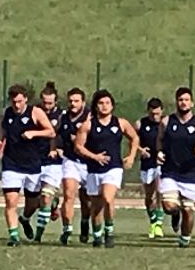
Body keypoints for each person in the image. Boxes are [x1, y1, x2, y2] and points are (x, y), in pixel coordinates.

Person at [74, 90, 139, 248]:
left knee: (108, 199)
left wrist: (131, 156)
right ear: (96, 106)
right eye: (101, 103)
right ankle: (97, 235)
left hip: (113, 167)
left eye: (107, 103)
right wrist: (94, 156)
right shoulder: (88, 125)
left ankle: (109, 231)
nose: (104, 106)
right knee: (96, 207)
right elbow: (78, 146)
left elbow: (134, 138)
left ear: (112, 105)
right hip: (93, 170)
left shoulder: (120, 123)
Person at [0, 84, 54, 246]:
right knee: (11, 201)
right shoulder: (7, 113)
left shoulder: (36, 112)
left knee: (32, 204)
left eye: (19, 101)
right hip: (11, 164)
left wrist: (34, 133)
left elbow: (51, 132)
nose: (17, 105)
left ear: (26, 99)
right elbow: (3, 130)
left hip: (32, 165)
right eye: (14, 102)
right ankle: (13, 237)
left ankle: (25, 219)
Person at [158, 87, 195, 248]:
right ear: (176, 102)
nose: (183, 103)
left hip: (190, 173)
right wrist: (159, 152)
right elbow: (159, 140)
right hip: (170, 171)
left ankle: (185, 238)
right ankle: (175, 214)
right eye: (180, 100)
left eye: (186, 100)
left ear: (192, 103)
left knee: (188, 210)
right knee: (169, 207)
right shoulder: (166, 122)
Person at [58, 88, 91, 246]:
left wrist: (78, 140)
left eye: (76, 101)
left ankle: (85, 222)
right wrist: (56, 147)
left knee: (87, 201)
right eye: (70, 101)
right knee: (69, 195)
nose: (73, 104)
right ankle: (67, 228)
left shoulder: (90, 117)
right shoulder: (63, 117)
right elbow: (57, 134)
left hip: (89, 163)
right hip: (70, 161)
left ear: (83, 102)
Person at [32, 82, 64, 243]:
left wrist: (59, 148)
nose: (47, 106)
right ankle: (53, 205)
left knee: (45, 197)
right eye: (44, 102)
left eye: (50, 103)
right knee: (35, 200)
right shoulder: (34, 113)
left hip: (54, 163)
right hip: (34, 161)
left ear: (56, 101)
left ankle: (38, 235)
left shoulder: (62, 116)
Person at [137, 97, 165, 239]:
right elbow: (133, 141)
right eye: (152, 114)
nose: (155, 116)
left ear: (162, 111)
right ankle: (153, 220)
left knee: (160, 191)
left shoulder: (165, 124)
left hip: (161, 162)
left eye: (157, 113)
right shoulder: (140, 124)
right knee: (149, 196)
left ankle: (159, 223)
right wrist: (140, 150)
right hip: (147, 163)